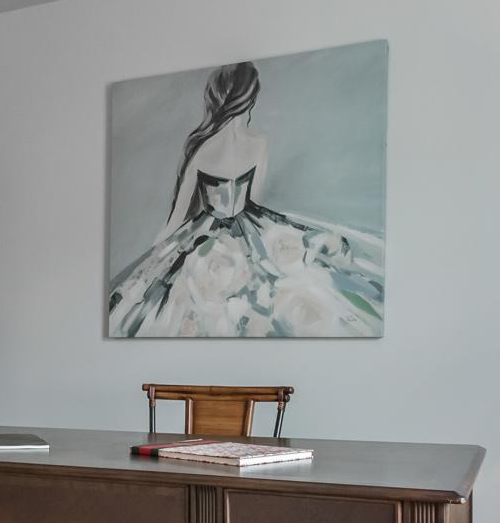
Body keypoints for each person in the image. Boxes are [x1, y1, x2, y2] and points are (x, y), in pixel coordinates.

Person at [106, 61, 384, 337]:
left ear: (215, 97)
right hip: (249, 227)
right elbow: (254, 198)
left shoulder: (201, 148)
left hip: (204, 235)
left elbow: (176, 218)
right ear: (250, 99)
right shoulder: (259, 142)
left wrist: (148, 267)